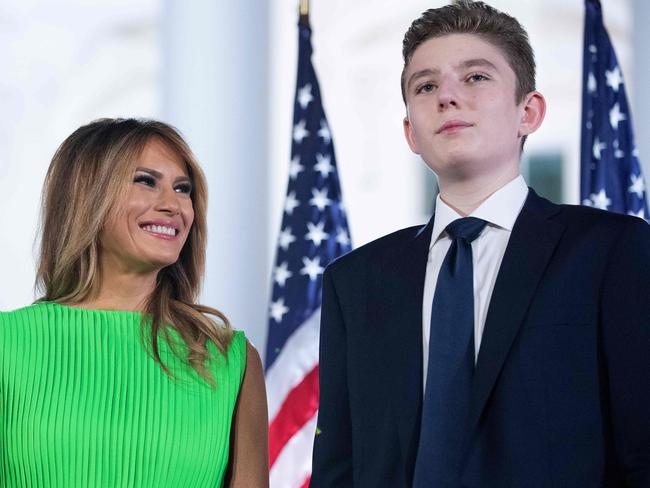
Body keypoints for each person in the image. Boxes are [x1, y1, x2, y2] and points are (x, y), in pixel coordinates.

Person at [311, 2, 650, 487]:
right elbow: (338, 467)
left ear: (528, 113)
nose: (447, 97)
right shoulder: (355, 280)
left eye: (475, 77)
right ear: (410, 131)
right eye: (425, 86)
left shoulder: (610, 251)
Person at [0, 118, 269, 487]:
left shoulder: (228, 359)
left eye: (182, 188)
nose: (173, 205)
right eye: (146, 181)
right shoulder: (7, 344)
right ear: (86, 193)